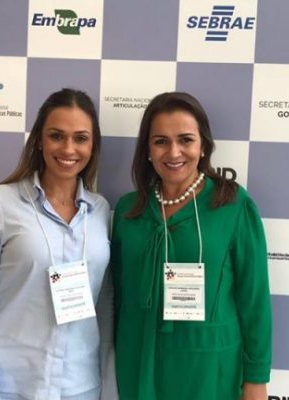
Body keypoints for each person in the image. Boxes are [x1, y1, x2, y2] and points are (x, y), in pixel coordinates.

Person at [0, 89, 112, 400]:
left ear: (93, 145)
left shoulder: (100, 211)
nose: (68, 148)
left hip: (80, 387)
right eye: (56, 136)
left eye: (81, 138)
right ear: (40, 141)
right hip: (9, 385)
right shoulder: (0, 203)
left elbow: (105, 307)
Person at [111, 92, 271, 400]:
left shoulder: (232, 204)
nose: (174, 152)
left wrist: (256, 378)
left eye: (185, 140)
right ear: (147, 149)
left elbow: (255, 300)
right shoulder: (128, 210)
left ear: (203, 145)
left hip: (208, 368)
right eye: (161, 141)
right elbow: (116, 295)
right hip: (138, 361)